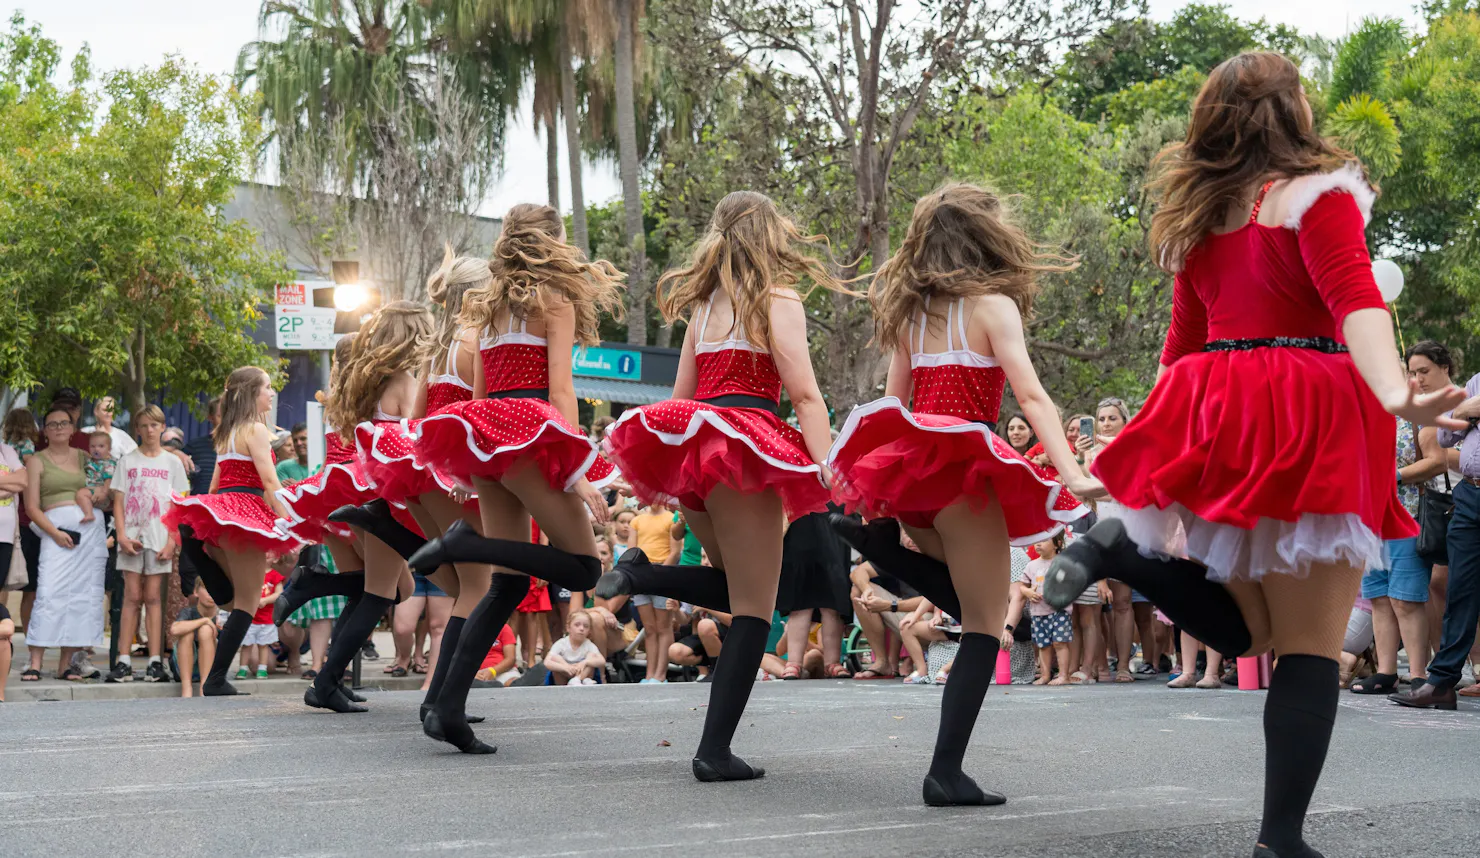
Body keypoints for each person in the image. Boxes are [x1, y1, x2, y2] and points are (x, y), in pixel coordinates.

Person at [1040, 52, 1465, 858]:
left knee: (1251, 634)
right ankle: (1280, 839)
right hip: (1310, 411)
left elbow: (1180, 351)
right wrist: (1393, 390)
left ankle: (1120, 548)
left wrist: (1143, 452)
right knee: (1307, 648)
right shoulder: (1319, 194)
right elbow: (1357, 299)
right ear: (1294, 111)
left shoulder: (1201, 219)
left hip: (1224, 411)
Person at [827, 183, 1096, 807]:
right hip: (967, 472)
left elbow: (892, 407)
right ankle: (945, 773)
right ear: (984, 237)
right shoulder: (993, 306)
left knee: (971, 599)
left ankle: (884, 549)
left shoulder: (910, 314)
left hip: (914, 475)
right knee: (984, 626)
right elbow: (1032, 397)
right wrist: (1072, 473)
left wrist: (877, 493)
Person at [599, 191, 840, 781]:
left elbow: (681, 399)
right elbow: (805, 395)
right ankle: (713, 752)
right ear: (769, 235)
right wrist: (828, 467)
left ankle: (640, 572)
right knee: (755, 610)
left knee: (739, 589)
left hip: (697, 454)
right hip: (746, 450)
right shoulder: (778, 299)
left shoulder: (702, 309)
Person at [408, 203, 620, 753]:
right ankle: (466, 543)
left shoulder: (486, 304)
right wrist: (576, 470)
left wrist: (472, 462)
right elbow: (560, 390)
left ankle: (446, 709)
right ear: (553, 242)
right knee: (585, 566)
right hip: (531, 433)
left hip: (488, 436)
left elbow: (479, 397)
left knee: (508, 583)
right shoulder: (555, 298)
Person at [298, 301, 433, 714]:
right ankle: (325, 682)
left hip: (368, 492)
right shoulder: (403, 380)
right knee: (379, 593)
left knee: (390, 590)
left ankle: (328, 674)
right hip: (387, 496)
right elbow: (419, 438)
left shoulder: (366, 381)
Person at [164, 366, 305, 696]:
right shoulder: (255, 429)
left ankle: (197, 550)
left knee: (235, 601)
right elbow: (269, 482)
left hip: (224, 511)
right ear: (252, 393)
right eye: (267, 387)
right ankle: (215, 680)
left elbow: (215, 485)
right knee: (248, 603)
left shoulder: (227, 432)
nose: (272, 393)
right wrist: (289, 522)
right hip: (246, 513)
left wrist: (210, 521)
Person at [1394, 358, 1480, 709]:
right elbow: (1445, 437)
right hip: (1470, 494)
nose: (1417, 377)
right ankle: (1442, 682)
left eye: (1423, 370)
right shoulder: (1476, 382)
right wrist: (1464, 410)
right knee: (1459, 590)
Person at [23, 405, 110, 680]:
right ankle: (35, 662)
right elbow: (31, 507)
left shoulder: (85, 457)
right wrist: (54, 533)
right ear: (45, 431)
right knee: (48, 592)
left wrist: (100, 494)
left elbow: (104, 486)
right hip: (55, 529)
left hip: (89, 532)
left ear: (73, 429)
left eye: (64, 423)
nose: (59, 428)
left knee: (82, 596)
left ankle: (66, 664)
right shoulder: (36, 460)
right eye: (53, 424)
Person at [107, 405, 188, 683]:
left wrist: (172, 541)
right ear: (137, 429)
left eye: (154, 425)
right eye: (144, 425)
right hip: (132, 536)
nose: (149, 430)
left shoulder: (172, 463)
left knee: (154, 597)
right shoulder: (128, 461)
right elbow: (119, 501)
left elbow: (178, 505)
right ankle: (124, 660)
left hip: (159, 537)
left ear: (162, 427)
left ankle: (155, 660)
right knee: (131, 596)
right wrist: (121, 535)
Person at [1021, 534, 1073, 685]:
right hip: (1038, 612)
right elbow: (1022, 586)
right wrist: (1028, 592)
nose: (1038, 544)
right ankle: (1045, 675)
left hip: (1060, 610)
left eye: (1044, 540)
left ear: (1057, 544)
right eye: (1036, 541)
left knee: (1060, 642)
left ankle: (1064, 675)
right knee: (1043, 645)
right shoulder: (1031, 565)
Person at [172, 578, 220, 698]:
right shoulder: (188, 612)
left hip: (212, 670)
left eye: (216, 589)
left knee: (206, 631)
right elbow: (174, 629)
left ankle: (204, 687)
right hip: (184, 668)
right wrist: (205, 620)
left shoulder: (222, 616)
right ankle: (186, 688)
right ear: (196, 592)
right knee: (186, 633)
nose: (211, 594)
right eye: (207, 589)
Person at [238, 567, 284, 680]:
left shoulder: (275, 575)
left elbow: (280, 593)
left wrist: (266, 600)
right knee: (247, 645)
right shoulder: (250, 572)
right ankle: (242, 668)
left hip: (267, 619)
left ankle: (262, 669)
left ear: (276, 558)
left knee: (264, 645)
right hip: (250, 617)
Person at [544, 610, 605, 685]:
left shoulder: (589, 644)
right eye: (577, 625)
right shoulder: (561, 643)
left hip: (582, 673)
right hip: (565, 672)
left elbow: (602, 660)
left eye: (586, 626)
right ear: (568, 628)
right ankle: (561, 688)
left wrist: (585, 662)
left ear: (589, 631)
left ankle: (579, 679)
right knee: (555, 658)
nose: (581, 628)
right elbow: (547, 662)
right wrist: (566, 667)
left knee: (591, 657)